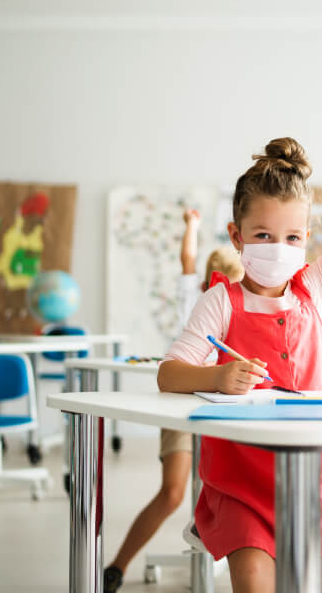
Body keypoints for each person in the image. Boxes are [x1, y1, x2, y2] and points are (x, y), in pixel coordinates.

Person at [158, 75, 322, 593]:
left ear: (306, 239)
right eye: (262, 235)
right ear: (237, 236)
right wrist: (218, 376)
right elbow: (169, 375)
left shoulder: (318, 288)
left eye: (290, 237)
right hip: (242, 480)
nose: (277, 247)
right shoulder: (220, 300)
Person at [104, 208, 243, 592]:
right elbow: (187, 260)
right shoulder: (198, 298)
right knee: (173, 492)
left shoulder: (246, 304)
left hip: (224, 411)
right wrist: (191, 227)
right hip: (183, 405)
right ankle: (117, 565)